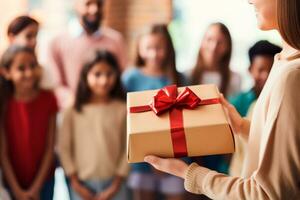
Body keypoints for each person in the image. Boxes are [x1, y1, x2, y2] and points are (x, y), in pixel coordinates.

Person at [145, 0, 300, 199]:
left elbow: (266, 194)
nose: (250, 0)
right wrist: (242, 126)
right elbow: (284, 146)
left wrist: (187, 172)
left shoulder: (291, 75)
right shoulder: (283, 62)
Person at [122, 24, 186, 200]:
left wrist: (165, 159)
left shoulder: (179, 78)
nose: (154, 54)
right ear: (139, 49)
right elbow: (129, 124)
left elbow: (183, 123)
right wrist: (150, 159)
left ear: (168, 48)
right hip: (141, 161)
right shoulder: (130, 78)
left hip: (175, 159)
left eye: (159, 48)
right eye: (148, 48)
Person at [58, 50, 129, 200]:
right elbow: (63, 148)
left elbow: (128, 147)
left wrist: (116, 183)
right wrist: (75, 183)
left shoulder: (123, 109)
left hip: (116, 184)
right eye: (97, 74)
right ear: (85, 76)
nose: (104, 80)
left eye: (109, 74)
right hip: (82, 184)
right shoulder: (72, 110)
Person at [0, 46, 57, 200]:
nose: (29, 73)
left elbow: (49, 148)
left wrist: (35, 188)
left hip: (44, 181)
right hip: (12, 182)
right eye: (21, 68)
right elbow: (3, 153)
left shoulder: (49, 99)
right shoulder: (4, 103)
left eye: (33, 66)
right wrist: (17, 190)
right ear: (6, 72)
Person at [48, 0, 127, 108]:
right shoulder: (57, 42)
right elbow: (56, 84)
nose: (94, 9)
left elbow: (122, 77)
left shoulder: (115, 40)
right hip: (73, 110)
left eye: (99, 4)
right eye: (88, 4)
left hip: (108, 110)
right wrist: (72, 100)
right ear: (76, 5)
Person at [229, 40, 282, 177]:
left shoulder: (281, 103)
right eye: (260, 70)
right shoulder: (237, 103)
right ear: (250, 70)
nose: (265, 76)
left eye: (270, 71)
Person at [188, 22, 241, 98]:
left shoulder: (235, 79)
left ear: (227, 47)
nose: (214, 47)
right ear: (202, 42)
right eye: (209, 39)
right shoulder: (187, 76)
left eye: (220, 42)